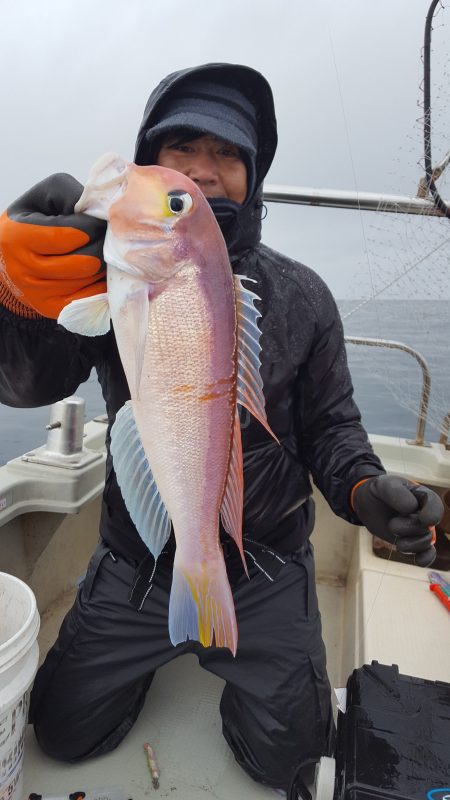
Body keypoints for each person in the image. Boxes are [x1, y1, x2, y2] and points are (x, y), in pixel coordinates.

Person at [0, 63, 443, 796]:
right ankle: (151, 647)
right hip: (136, 557)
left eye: (228, 154)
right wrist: (17, 300)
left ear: (254, 173)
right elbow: (27, 384)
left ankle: (236, 657)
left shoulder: (302, 295)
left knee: (289, 764)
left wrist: (364, 486)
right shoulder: (110, 277)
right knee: (64, 735)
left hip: (265, 562)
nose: (205, 171)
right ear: (150, 156)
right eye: (181, 149)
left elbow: (332, 426)